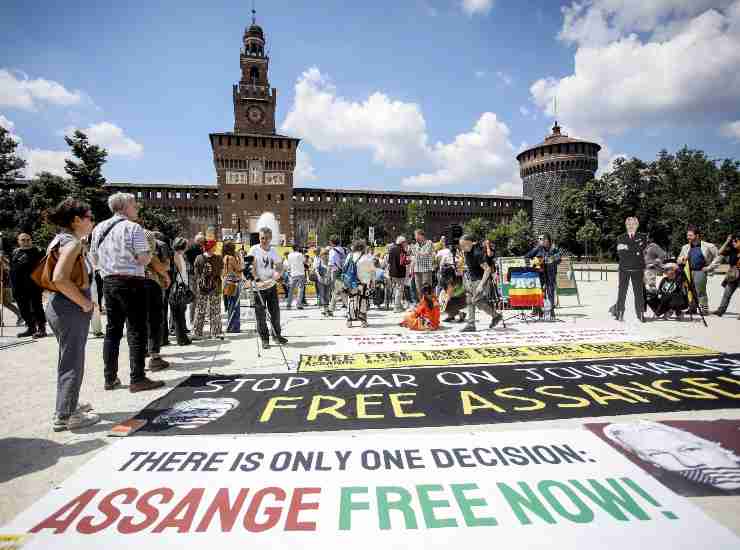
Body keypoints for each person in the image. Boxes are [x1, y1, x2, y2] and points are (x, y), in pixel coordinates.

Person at [91, 193, 165, 393]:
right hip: (132, 282)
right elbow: (143, 259)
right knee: (136, 330)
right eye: (134, 204)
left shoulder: (98, 228)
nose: (137, 208)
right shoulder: (133, 228)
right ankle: (137, 378)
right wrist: (148, 255)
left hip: (108, 281)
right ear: (124, 207)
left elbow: (94, 259)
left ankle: (110, 378)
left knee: (112, 331)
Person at [41, 199, 99, 430]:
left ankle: (69, 403)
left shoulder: (59, 240)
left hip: (58, 307)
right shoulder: (72, 243)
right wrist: (84, 303)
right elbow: (60, 279)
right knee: (73, 361)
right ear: (77, 220)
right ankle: (67, 414)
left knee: (68, 358)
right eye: (89, 217)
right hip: (69, 307)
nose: (92, 221)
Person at [247, 227, 288, 349]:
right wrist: (255, 279)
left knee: (275, 313)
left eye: (266, 238)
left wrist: (277, 273)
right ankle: (265, 339)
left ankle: (277, 335)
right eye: (261, 238)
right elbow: (249, 266)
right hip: (258, 287)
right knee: (260, 315)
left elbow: (280, 265)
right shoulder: (254, 249)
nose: (263, 240)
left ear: (270, 238)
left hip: (271, 286)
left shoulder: (273, 251)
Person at [459, 234, 501, 332]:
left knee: (477, 301)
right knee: (469, 300)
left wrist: (481, 285)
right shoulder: (466, 252)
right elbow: (472, 265)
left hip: (481, 280)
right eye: (461, 245)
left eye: (464, 245)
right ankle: (471, 324)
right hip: (472, 280)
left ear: (470, 243)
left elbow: (487, 269)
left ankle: (496, 316)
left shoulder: (477, 253)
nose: (462, 247)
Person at [143, 229, 171, 370]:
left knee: (135, 322)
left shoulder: (110, 233)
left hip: (128, 281)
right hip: (151, 280)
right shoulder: (148, 236)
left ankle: (139, 358)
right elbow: (155, 260)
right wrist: (166, 275)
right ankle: (154, 356)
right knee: (154, 319)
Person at [677, 225, 721, 316]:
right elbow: (679, 258)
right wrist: (681, 259)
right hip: (688, 272)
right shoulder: (685, 247)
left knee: (700, 291)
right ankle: (692, 308)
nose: (688, 237)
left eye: (690, 235)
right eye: (687, 235)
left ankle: (704, 309)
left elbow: (719, 257)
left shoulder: (708, 246)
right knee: (690, 290)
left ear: (697, 236)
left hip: (700, 271)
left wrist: (709, 267)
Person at [10, 233, 46, 338]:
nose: (25, 242)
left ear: (31, 240)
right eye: (23, 240)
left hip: (34, 284)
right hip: (18, 285)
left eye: (28, 240)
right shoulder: (15, 252)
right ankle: (31, 328)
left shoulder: (38, 251)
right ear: (18, 241)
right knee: (23, 309)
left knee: (37, 308)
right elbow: (12, 267)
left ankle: (41, 329)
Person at [614, 216, 648, 322]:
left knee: (639, 292)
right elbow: (621, 253)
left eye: (633, 224)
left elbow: (641, 248)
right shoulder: (621, 237)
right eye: (628, 224)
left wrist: (628, 247)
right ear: (625, 225)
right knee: (622, 292)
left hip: (637, 269)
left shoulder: (643, 236)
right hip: (624, 269)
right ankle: (620, 312)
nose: (630, 226)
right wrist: (634, 249)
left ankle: (640, 313)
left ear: (637, 225)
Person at [524, 233, 561, 320]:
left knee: (550, 292)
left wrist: (553, 259)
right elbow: (527, 256)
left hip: (551, 274)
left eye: (546, 241)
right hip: (540, 274)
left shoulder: (554, 249)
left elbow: (559, 259)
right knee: (538, 291)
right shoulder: (539, 248)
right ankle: (537, 309)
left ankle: (552, 311)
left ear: (550, 241)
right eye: (543, 241)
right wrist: (535, 263)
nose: (545, 243)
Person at [193, 240, 224, 340]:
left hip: (202, 288)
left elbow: (196, 273)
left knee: (200, 310)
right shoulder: (218, 258)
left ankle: (197, 332)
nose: (216, 248)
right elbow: (221, 272)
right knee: (215, 310)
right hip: (215, 287)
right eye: (214, 246)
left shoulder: (199, 258)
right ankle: (216, 332)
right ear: (212, 247)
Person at [343, 239, 373, 328]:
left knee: (351, 300)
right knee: (363, 301)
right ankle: (363, 322)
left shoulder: (350, 256)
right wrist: (372, 282)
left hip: (352, 282)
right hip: (363, 283)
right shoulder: (367, 257)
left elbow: (344, 268)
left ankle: (349, 321)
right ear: (363, 247)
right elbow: (372, 271)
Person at [712, 234, 740, 319]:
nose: (733, 243)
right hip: (733, 274)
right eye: (732, 241)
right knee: (727, 293)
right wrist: (727, 241)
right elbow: (719, 252)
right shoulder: (732, 250)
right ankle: (721, 310)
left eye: (735, 241)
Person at [171, 237, 191, 345]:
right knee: (178, 314)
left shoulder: (180, 256)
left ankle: (183, 337)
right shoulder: (177, 256)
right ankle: (181, 338)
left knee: (181, 313)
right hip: (179, 287)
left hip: (181, 286)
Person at [222, 240, 243, 333]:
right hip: (234, 283)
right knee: (235, 305)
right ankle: (235, 327)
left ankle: (230, 325)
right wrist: (239, 257)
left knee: (230, 304)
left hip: (226, 282)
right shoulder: (231, 258)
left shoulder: (224, 257)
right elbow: (239, 268)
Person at [184, 233, 204, 327]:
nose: (203, 243)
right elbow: (187, 260)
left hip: (196, 274)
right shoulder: (192, 248)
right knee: (194, 298)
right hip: (193, 275)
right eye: (202, 241)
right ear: (198, 241)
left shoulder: (198, 248)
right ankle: (192, 319)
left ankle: (196, 318)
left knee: (198, 298)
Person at [410, 229, 434, 302]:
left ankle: (429, 305)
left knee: (427, 288)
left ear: (421, 235)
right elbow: (414, 257)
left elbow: (426, 253)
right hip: (417, 269)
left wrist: (416, 251)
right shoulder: (415, 245)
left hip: (426, 269)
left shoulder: (429, 242)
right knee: (419, 289)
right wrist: (412, 270)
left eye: (416, 235)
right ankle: (422, 304)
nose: (415, 237)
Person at [387, 235, 408, 313]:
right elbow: (402, 262)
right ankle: (396, 307)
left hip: (392, 273)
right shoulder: (402, 250)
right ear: (402, 243)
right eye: (405, 242)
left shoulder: (391, 249)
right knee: (400, 289)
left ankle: (399, 304)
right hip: (400, 272)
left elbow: (389, 262)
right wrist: (409, 261)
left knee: (397, 289)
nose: (406, 243)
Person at [327, 236, 347, 315]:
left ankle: (350, 309)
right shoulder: (344, 249)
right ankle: (330, 310)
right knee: (337, 291)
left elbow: (331, 264)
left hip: (336, 272)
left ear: (331, 242)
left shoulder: (332, 251)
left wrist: (327, 275)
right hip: (344, 272)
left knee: (340, 291)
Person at [285, 245, 306, 310]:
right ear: (297, 248)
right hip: (300, 273)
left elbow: (288, 265)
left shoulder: (289, 255)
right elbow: (304, 261)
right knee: (300, 289)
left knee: (291, 289)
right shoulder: (300, 254)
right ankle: (298, 304)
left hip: (293, 273)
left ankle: (288, 303)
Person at [314, 247, 332, 316]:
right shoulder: (319, 261)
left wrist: (329, 277)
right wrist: (319, 277)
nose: (325, 255)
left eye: (326, 254)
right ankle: (325, 309)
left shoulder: (330, 261)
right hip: (321, 280)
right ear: (321, 255)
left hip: (328, 280)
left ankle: (327, 309)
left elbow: (331, 270)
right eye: (324, 254)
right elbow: (316, 270)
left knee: (327, 295)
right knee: (322, 295)